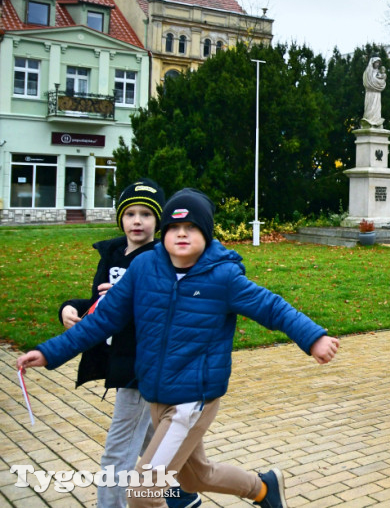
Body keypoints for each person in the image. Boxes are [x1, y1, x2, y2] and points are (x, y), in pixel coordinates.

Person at [18, 189, 340, 508]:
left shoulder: (223, 277)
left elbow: (273, 308)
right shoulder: (143, 270)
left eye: (192, 228)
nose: (182, 234)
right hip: (156, 396)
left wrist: (313, 338)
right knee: (195, 478)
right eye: (174, 227)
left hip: (191, 401)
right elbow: (99, 321)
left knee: (143, 493)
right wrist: (49, 352)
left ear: (207, 234)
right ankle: (263, 489)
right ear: (164, 233)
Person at [56, 180, 201, 508]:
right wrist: (70, 307)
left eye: (147, 215)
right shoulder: (113, 253)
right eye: (130, 214)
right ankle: (182, 489)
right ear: (120, 219)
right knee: (151, 436)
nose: (137, 221)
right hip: (119, 361)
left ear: (159, 222)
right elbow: (98, 299)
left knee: (117, 452)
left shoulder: (163, 259)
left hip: (143, 365)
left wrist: (128, 301)